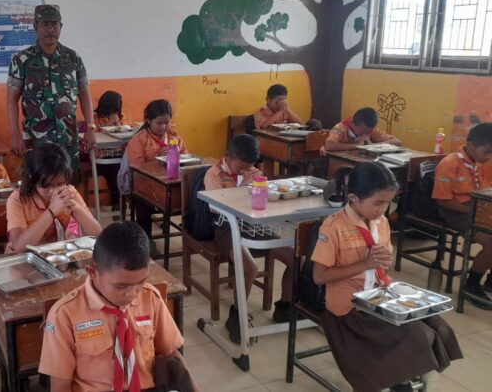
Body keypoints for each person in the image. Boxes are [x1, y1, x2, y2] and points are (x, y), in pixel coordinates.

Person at [312, 162, 462, 392]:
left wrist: (382, 261)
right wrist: (365, 264)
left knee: (438, 327)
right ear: (353, 199)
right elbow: (319, 276)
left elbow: (384, 264)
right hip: (349, 306)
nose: (383, 209)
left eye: (388, 202)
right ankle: (399, 381)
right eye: (377, 203)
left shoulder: (381, 223)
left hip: (379, 295)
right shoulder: (333, 227)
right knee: (418, 335)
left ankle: (403, 378)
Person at [39, 222, 197, 392]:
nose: (132, 294)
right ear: (92, 272)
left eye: (141, 282)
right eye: (121, 286)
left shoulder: (150, 298)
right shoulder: (65, 314)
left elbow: (171, 354)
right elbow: (60, 387)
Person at [203, 134, 295, 342]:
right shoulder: (214, 174)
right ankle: (237, 316)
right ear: (228, 156)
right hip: (226, 227)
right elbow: (216, 208)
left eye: (250, 167)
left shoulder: (255, 173)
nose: (246, 171)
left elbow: (263, 200)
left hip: (254, 226)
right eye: (241, 167)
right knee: (249, 267)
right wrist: (244, 185)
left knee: (294, 258)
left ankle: (285, 307)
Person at [7, 4, 96, 177]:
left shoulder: (73, 58)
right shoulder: (22, 60)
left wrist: (90, 128)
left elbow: (84, 94)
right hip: (36, 140)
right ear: (35, 27)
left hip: (67, 139)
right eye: (45, 24)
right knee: (38, 185)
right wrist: (14, 134)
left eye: (54, 24)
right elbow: (11, 100)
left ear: (61, 26)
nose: (50, 29)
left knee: (68, 186)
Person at [433, 122, 492, 308]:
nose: (489, 157)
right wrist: (473, 211)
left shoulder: (480, 162)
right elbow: (442, 200)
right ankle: (471, 285)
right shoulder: (450, 164)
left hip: (479, 207)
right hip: (456, 211)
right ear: (471, 145)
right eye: (487, 152)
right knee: (491, 243)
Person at [5, 142, 101, 253]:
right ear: (32, 178)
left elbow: (97, 234)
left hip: (55, 255)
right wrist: (51, 211)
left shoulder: (69, 192)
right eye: (47, 186)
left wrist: (75, 207)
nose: (54, 191)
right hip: (25, 259)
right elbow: (19, 247)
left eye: (60, 184)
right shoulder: (17, 199)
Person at [126, 99, 187, 253]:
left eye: (167, 122)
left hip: (169, 182)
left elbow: (186, 159)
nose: (164, 127)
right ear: (148, 120)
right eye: (159, 123)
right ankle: (146, 240)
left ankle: (191, 237)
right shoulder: (139, 139)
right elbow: (136, 167)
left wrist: (176, 155)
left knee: (190, 195)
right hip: (145, 184)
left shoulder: (175, 137)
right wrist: (158, 157)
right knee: (143, 203)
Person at [80, 90, 125, 210]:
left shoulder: (116, 119)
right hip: (93, 158)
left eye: (117, 111)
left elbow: (120, 136)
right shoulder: (91, 122)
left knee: (122, 164)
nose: (115, 113)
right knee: (113, 167)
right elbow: (83, 147)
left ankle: (120, 198)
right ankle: (117, 199)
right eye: (113, 110)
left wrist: (116, 124)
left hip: (113, 155)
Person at [322, 107, 401, 153]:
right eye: (363, 131)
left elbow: (397, 142)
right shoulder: (340, 128)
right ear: (352, 123)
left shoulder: (370, 130)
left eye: (369, 131)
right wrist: (358, 146)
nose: (366, 134)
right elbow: (330, 145)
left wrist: (372, 146)